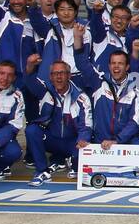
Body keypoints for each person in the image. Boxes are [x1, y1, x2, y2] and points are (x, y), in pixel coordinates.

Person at [23, 58, 92, 186]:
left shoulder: (81, 97)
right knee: (32, 130)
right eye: (55, 74)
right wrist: (30, 66)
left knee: (82, 151)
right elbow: (29, 80)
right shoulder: (44, 90)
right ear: (50, 77)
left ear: (69, 75)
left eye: (62, 73)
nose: (58, 77)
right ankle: (42, 171)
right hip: (52, 140)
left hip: (73, 143)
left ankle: (71, 161)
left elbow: (86, 125)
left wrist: (83, 139)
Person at [84, 50, 139, 148]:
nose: (116, 66)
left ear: (127, 67)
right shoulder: (98, 83)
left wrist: (117, 140)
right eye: (113, 63)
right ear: (109, 66)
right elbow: (82, 63)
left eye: (120, 63)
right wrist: (78, 38)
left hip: (123, 144)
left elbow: (135, 123)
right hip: (99, 143)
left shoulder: (136, 92)